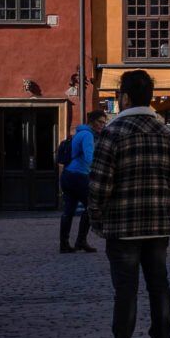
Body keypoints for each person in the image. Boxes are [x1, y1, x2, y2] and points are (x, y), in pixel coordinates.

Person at [88, 70, 170, 338]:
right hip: (157, 225)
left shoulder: (113, 133)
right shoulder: (168, 134)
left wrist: (96, 218)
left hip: (122, 224)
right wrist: (166, 204)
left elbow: (99, 184)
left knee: (125, 290)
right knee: (159, 286)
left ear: (125, 98)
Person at [58, 104, 104, 253]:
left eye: (104, 123)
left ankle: (64, 244)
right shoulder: (88, 135)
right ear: (92, 121)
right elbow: (91, 156)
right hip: (78, 176)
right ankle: (81, 241)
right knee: (91, 206)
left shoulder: (79, 133)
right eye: (100, 122)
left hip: (67, 175)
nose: (102, 125)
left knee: (69, 210)